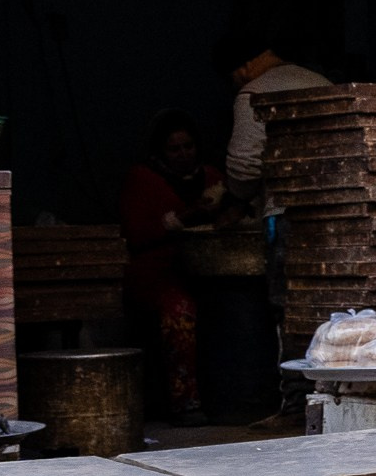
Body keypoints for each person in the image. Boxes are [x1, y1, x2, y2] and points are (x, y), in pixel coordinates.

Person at [120, 110, 228, 425]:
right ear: (160, 152)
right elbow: (136, 234)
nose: (183, 154)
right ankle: (185, 403)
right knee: (179, 310)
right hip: (157, 275)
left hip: (208, 270)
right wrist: (185, 217)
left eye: (188, 146)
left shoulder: (210, 176)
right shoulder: (142, 179)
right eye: (174, 149)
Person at [217, 35, 331, 199]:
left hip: (286, 209)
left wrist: (237, 196)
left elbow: (244, 166)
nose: (236, 86)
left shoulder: (254, 93)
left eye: (232, 81)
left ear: (242, 68)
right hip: (335, 203)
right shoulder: (322, 83)